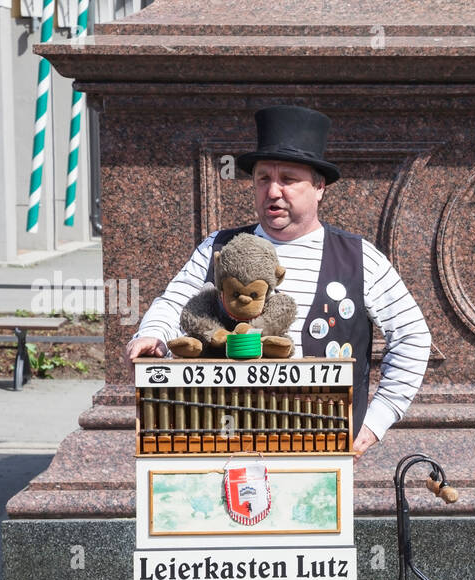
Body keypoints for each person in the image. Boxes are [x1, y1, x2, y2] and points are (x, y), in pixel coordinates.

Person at [125, 106, 431, 454]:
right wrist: (152, 335)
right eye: (263, 179)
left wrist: (376, 422)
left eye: (288, 179)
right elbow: (175, 302)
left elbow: (413, 337)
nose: (273, 191)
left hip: (320, 445)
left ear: (319, 187)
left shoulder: (360, 257)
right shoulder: (218, 247)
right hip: (226, 439)